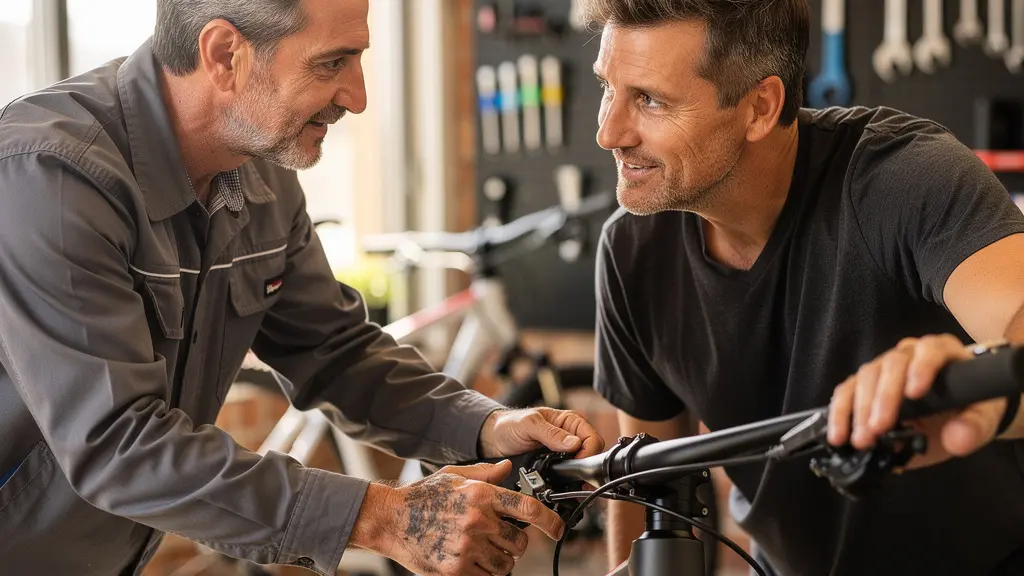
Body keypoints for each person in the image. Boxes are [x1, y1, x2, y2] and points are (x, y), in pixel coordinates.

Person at [0, 1, 606, 575]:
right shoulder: (51, 174)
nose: (358, 97)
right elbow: (117, 447)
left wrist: (486, 426)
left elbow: (336, 353)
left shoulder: (258, 172)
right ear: (224, 54)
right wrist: (385, 517)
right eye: (332, 62)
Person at [581, 0, 1024, 574]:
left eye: (650, 100)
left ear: (760, 106)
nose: (607, 132)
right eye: (606, 88)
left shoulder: (903, 177)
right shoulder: (631, 253)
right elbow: (653, 483)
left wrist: (984, 396)